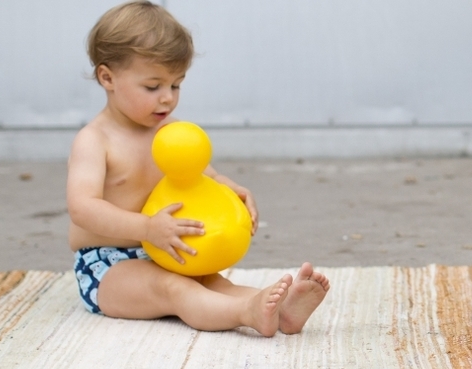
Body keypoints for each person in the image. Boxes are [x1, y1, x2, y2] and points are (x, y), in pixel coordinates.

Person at [67, 1, 329, 337]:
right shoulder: (95, 140)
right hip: (108, 264)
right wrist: (147, 228)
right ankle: (248, 312)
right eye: (153, 87)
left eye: (176, 85)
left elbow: (204, 175)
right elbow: (82, 208)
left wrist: (229, 190)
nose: (167, 98)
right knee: (174, 289)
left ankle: (283, 311)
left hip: (166, 246)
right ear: (108, 77)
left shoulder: (171, 131)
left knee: (211, 281)